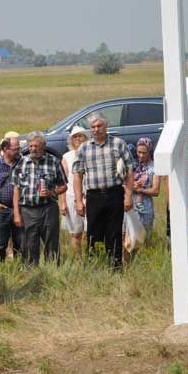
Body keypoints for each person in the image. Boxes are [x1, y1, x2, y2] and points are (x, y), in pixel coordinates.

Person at [72, 112, 134, 269]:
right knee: (93, 232)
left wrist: (128, 196)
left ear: (106, 127)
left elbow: (130, 171)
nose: (96, 129)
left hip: (115, 193)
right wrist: (79, 201)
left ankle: (115, 267)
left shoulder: (118, 144)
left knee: (114, 232)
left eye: (99, 126)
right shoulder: (84, 148)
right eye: (93, 127)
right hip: (94, 196)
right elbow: (77, 175)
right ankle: (96, 266)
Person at [12, 132, 68, 265]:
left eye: (36, 146)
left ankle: (53, 272)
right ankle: (32, 276)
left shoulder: (54, 161)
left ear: (43, 145)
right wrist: (16, 214)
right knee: (29, 245)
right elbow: (16, 190)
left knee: (51, 243)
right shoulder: (21, 162)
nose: (33, 149)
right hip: (27, 210)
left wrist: (51, 192)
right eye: (30, 146)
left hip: (49, 209)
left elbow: (63, 186)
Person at [59, 126, 90, 256]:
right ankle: (77, 260)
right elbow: (61, 182)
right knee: (76, 233)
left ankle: (91, 257)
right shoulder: (66, 157)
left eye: (80, 136)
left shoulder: (91, 153)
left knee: (91, 232)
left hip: (90, 196)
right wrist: (62, 203)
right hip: (71, 197)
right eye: (74, 137)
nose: (77, 139)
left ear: (86, 138)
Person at [130, 137, 161, 235]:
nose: (141, 155)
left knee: (145, 235)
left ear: (150, 151)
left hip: (145, 206)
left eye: (144, 153)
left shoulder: (154, 168)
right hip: (130, 204)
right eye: (139, 152)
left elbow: (155, 191)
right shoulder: (133, 165)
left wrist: (140, 190)